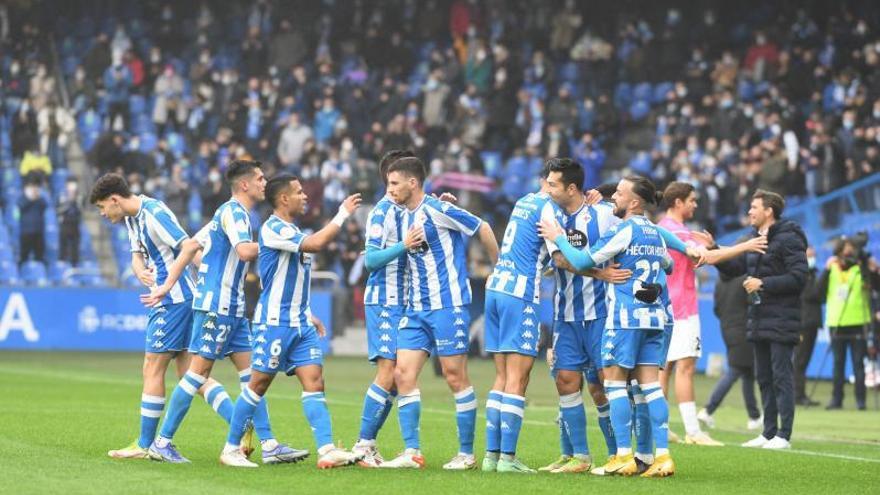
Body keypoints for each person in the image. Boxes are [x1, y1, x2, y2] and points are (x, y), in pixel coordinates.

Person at [538, 176, 703, 478]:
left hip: (625, 319)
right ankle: (663, 456)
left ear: (635, 202)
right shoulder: (655, 231)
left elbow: (581, 259)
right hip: (655, 320)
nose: (613, 196)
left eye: (620, 193)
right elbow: (669, 265)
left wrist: (558, 236)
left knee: (614, 386)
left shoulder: (623, 230)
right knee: (652, 388)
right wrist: (683, 250)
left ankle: (623, 455)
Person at [141, 160, 298, 463]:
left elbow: (189, 247)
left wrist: (166, 285)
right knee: (197, 375)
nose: (265, 183)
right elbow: (243, 250)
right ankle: (162, 442)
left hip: (235, 309)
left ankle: (269, 445)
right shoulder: (234, 212)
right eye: (261, 178)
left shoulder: (225, 214)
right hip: (217, 307)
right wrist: (287, 242)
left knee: (254, 375)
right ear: (245, 185)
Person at [219, 174, 363, 468]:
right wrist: (343, 213)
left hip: (299, 323)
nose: (305, 196)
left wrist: (308, 313)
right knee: (258, 384)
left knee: (314, 381)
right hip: (274, 324)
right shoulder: (273, 228)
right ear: (284, 199)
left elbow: (291, 280)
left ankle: (327, 450)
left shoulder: (291, 229)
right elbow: (317, 244)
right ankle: (231, 448)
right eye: (299, 192)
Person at [90, 173, 230, 459]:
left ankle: (145, 445)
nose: (103, 214)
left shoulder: (154, 213)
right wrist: (139, 268)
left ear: (115, 200)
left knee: (152, 367)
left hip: (173, 301)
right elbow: (136, 253)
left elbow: (188, 246)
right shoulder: (131, 218)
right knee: (191, 375)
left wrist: (179, 285)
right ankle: (242, 424)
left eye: (102, 207)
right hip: (171, 299)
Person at [380, 156, 499, 470]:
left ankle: (466, 453)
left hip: (448, 306)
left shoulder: (438, 209)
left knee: (455, 377)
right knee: (402, 374)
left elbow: (482, 227)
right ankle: (412, 452)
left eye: (394, 183)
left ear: (412, 183)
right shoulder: (405, 216)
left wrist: (498, 268)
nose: (389, 189)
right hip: (416, 309)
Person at [535, 159, 631, 474]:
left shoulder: (603, 215)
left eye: (552, 184)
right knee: (566, 380)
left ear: (572, 188)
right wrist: (601, 274)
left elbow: (630, 235)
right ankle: (580, 456)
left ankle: (621, 454)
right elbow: (560, 259)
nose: (546, 188)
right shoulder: (550, 216)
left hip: (603, 314)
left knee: (605, 384)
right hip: (566, 315)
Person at [716, 189, 808, 450]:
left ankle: (784, 435)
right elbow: (734, 270)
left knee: (782, 377)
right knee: (764, 378)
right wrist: (714, 251)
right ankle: (768, 433)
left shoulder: (790, 238)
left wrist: (763, 283)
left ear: (769, 210)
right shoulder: (754, 240)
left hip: (782, 318)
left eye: (754, 207)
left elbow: (800, 277)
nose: (749, 212)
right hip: (758, 317)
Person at [351, 149, 424, 467]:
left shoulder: (410, 209)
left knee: (399, 375)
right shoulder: (381, 212)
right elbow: (370, 260)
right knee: (387, 372)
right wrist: (403, 246)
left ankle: (370, 444)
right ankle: (363, 444)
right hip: (384, 300)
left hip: (407, 302)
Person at [657, 182, 723, 446]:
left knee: (664, 368)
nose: (696, 204)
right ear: (678, 202)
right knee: (685, 367)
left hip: (665, 304)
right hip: (683, 308)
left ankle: (659, 427)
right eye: (692, 200)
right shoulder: (679, 233)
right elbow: (710, 258)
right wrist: (744, 246)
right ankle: (694, 431)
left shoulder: (662, 226)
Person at [818, 238, 879, 411]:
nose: (848, 255)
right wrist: (825, 270)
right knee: (838, 363)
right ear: (837, 253)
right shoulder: (832, 268)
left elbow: (876, 287)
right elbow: (817, 292)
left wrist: (872, 269)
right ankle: (837, 400)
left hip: (859, 321)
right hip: (836, 322)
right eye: (844, 251)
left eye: (851, 250)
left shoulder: (861, 268)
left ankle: (861, 401)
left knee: (858, 363)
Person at [697, 272, 762, 431]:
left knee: (748, 372)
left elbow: (716, 309)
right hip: (744, 330)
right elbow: (755, 303)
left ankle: (754, 417)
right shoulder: (746, 280)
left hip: (727, 329)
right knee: (736, 370)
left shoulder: (720, 280)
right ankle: (708, 409)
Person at [794, 246, 822, 406]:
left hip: (810, 322)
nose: (812, 258)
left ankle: (800, 393)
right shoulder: (801, 275)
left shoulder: (812, 274)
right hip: (803, 322)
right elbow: (811, 294)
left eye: (814, 255)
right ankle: (797, 395)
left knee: (803, 359)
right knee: (800, 359)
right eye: (809, 255)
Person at [18, 179, 47, 266]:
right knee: (24, 255)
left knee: (39, 255)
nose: (33, 189)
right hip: (26, 231)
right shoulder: (22, 198)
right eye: (30, 187)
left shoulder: (40, 199)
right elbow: (21, 207)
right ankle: (22, 272)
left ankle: (40, 272)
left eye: (34, 187)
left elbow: (44, 206)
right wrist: (30, 199)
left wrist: (37, 197)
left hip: (38, 231)